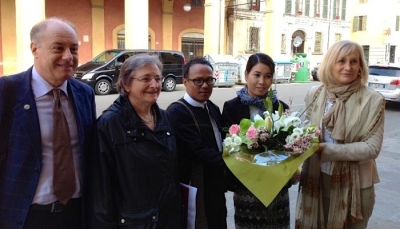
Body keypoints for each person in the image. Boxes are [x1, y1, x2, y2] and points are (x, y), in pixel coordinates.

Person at [0, 17, 97, 228]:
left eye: (74, 49)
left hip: (76, 215)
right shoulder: (7, 91)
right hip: (24, 217)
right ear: (35, 49)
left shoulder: (84, 94)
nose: (68, 57)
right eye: (58, 48)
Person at [295, 40, 385, 229]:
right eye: (341, 61)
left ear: (360, 65)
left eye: (354, 61)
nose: (348, 67)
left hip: (356, 188)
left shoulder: (373, 100)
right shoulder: (315, 93)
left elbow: (372, 148)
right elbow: (306, 130)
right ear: (330, 63)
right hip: (316, 180)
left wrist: (326, 150)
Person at [90, 54, 182, 228]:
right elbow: (101, 191)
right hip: (133, 223)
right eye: (145, 79)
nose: (154, 85)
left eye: (157, 78)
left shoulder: (165, 118)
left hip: (168, 220)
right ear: (126, 84)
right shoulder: (109, 124)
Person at [221, 53, 290, 229]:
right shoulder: (232, 107)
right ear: (246, 75)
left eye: (267, 76)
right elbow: (228, 145)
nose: (262, 81)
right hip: (247, 186)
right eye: (257, 75)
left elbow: (290, 147)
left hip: (277, 186)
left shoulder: (280, 107)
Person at [167, 57, 227, 229]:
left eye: (209, 80)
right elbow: (197, 150)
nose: (205, 85)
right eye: (198, 81)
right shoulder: (177, 111)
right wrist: (235, 162)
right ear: (185, 82)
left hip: (215, 185)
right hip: (196, 186)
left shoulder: (212, 107)